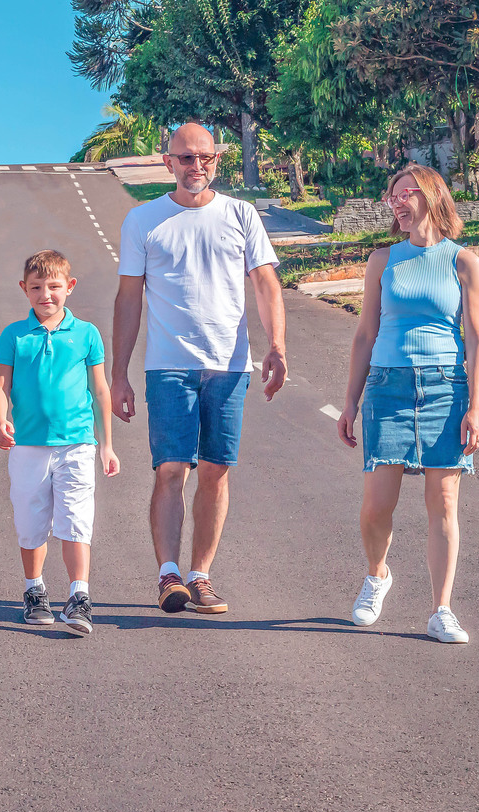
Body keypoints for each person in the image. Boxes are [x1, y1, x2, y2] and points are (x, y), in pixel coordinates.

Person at [111, 122, 287, 615]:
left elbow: (266, 284)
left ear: (217, 160)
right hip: (168, 365)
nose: (196, 166)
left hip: (229, 366)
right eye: (186, 158)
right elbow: (129, 299)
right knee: (172, 468)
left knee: (215, 470)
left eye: (204, 157)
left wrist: (277, 346)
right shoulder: (143, 220)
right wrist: (119, 374)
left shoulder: (240, 214)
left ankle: (200, 576)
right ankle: (169, 575)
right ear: (168, 162)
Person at [337, 162, 479, 644]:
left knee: (444, 502)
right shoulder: (383, 260)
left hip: (446, 387)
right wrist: (350, 401)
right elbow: (365, 334)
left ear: (432, 196)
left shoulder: (463, 262)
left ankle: (442, 610)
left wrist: (476, 407)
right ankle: (377, 575)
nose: (397, 203)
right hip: (388, 387)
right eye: (393, 197)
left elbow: (477, 341)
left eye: (406, 194)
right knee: (377, 505)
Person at [0, 250, 120, 635]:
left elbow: (100, 390)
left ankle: (79, 596)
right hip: (28, 445)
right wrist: (1, 421)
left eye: (54, 287)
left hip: (77, 444)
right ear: (24, 289)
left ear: (70, 287)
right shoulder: (14, 335)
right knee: (30, 523)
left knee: (76, 520)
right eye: (36, 288)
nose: (45, 295)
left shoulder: (86, 334)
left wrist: (106, 444)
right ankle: (35, 590)